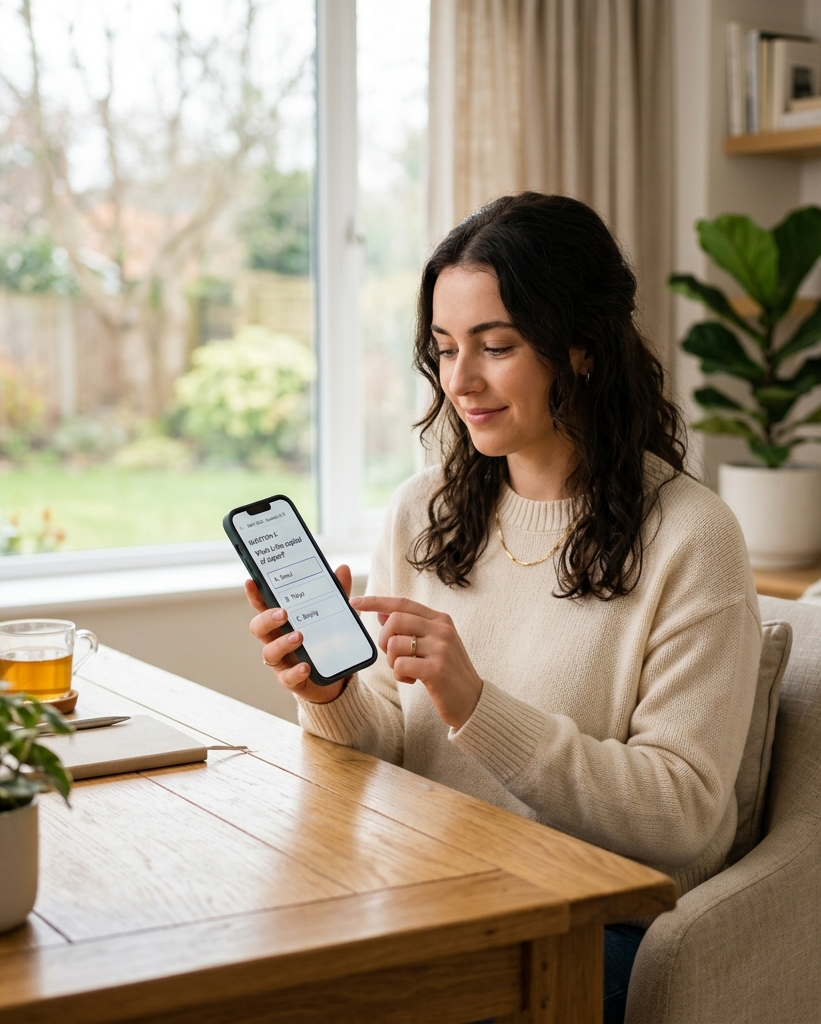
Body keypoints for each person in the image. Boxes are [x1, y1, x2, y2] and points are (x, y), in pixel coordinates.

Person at [246, 192, 761, 1024]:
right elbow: (392, 739)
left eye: (497, 346)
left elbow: (685, 815)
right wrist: (331, 694)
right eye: (446, 349)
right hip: (429, 885)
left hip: (589, 924)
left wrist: (478, 707)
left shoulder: (693, 538)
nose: (461, 381)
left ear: (581, 348)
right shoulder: (424, 510)